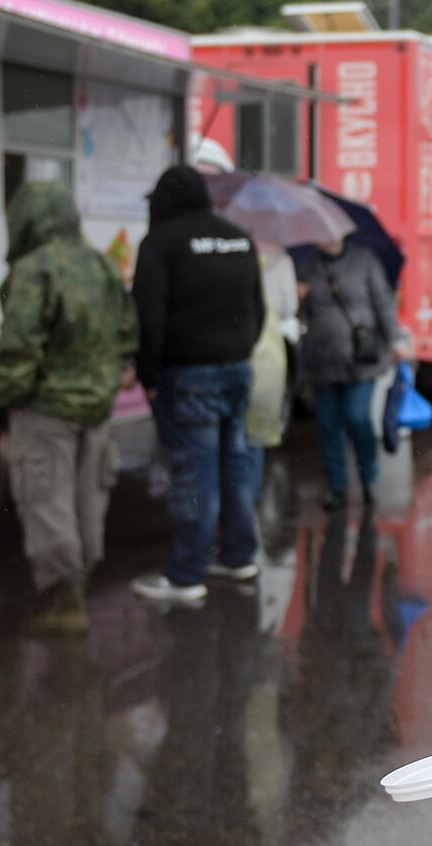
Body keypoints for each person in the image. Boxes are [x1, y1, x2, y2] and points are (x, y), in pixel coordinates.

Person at [0, 181, 136, 635]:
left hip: (48, 408)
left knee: (47, 498)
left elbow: (19, 346)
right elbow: (127, 334)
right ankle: (80, 586)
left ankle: (67, 603)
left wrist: (13, 399)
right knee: (89, 496)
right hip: (97, 407)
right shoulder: (102, 265)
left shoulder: (34, 270)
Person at [131, 166, 265, 602]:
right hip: (238, 368)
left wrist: (148, 375)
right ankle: (239, 556)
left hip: (189, 374)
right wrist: (237, 349)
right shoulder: (239, 238)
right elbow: (258, 309)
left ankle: (186, 574)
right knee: (234, 464)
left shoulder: (161, 242)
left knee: (196, 471)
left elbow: (149, 317)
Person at [296, 236, 402, 511]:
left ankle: (369, 478)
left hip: (359, 358)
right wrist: (299, 298)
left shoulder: (364, 261)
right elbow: (300, 314)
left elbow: (383, 302)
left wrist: (395, 340)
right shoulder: (308, 266)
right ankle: (337, 487)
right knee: (329, 425)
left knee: (357, 418)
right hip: (321, 359)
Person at [245, 241, 295, 504]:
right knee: (257, 432)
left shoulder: (231, 250)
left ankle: (234, 501)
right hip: (269, 349)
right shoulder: (281, 260)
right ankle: (250, 499)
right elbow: (289, 308)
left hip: (237, 348)